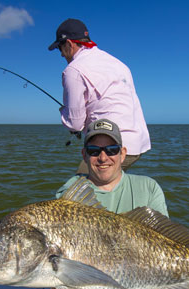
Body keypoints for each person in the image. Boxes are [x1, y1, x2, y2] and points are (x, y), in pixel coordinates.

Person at [4, 119, 189, 289]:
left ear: (123, 154)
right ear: (84, 155)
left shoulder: (148, 187)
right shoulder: (70, 192)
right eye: (95, 151)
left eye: (111, 149)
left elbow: (172, 246)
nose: (103, 157)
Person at [48, 18, 150, 173]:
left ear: (69, 44)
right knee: (105, 189)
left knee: (78, 191)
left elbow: (75, 124)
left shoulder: (73, 70)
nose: (61, 54)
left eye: (60, 48)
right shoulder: (118, 63)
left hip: (113, 146)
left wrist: (64, 111)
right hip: (138, 143)